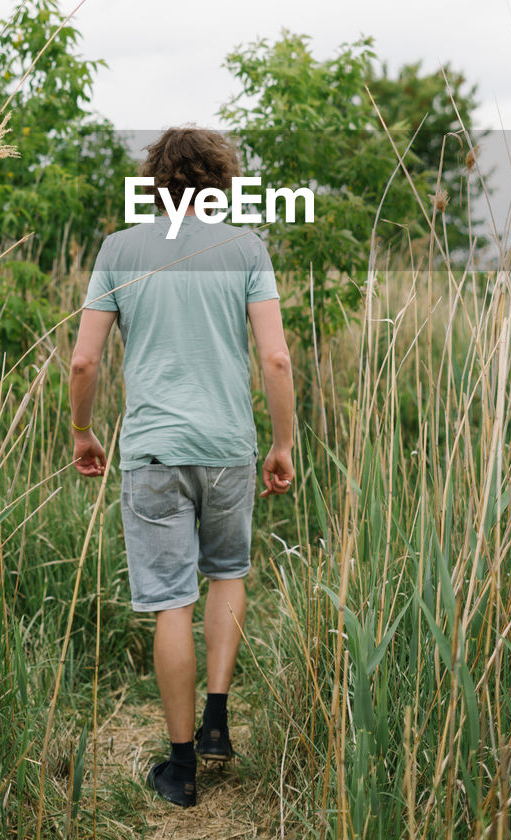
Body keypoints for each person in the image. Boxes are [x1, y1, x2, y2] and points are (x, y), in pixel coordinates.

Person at [68, 126, 295, 809]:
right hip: (228, 446)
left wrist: (82, 430)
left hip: (153, 451)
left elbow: (83, 361)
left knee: (172, 600)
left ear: (155, 180)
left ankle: (179, 768)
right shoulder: (244, 247)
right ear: (219, 181)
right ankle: (217, 722)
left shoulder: (118, 249)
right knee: (227, 575)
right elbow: (276, 358)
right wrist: (281, 443)